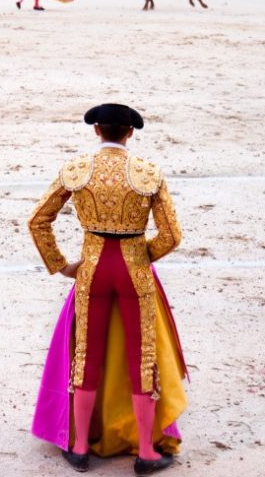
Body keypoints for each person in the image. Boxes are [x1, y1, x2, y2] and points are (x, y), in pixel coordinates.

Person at [29, 104, 189, 476]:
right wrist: (138, 256)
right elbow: (172, 236)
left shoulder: (77, 170)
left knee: (87, 355)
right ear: (130, 133)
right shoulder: (148, 173)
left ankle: (81, 447)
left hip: (94, 270)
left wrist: (62, 265)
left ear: (96, 130)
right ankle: (147, 452)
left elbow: (38, 221)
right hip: (133, 271)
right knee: (141, 357)